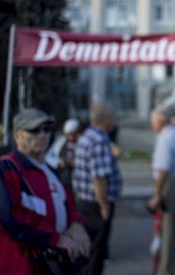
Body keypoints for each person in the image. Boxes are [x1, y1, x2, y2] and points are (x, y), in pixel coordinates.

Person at [0, 107, 90, 275]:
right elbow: (4, 218)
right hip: (22, 267)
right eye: (34, 130)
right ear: (17, 135)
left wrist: (76, 224)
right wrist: (55, 238)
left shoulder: (51, 170)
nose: (42, 135)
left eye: (46, 129)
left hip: (56, 265)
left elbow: (68, 206)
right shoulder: (6, 168)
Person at [73, 103, 123, 275]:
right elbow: (99, 179)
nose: (115, 121)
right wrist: (104, 205)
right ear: (107, 119)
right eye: (113, 117)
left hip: (85, 202)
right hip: (96, 205)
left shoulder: (88, 135)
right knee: (96, 253)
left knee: (89, 250)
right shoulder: (99, 140)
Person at [148, 109, 175, 275]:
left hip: (170, 185)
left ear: (159, 122)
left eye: (153, 123)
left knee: (168, 231)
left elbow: (163, 168)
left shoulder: (165, 137)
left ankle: (166, 270)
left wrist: (157, 193)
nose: (152, 127)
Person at [59, 118, 80, 193]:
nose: (67, 137)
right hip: (66, 177)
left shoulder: (81, 143)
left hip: (77, 178)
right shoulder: (64, 142)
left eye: (69, 134)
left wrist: (67, 161)